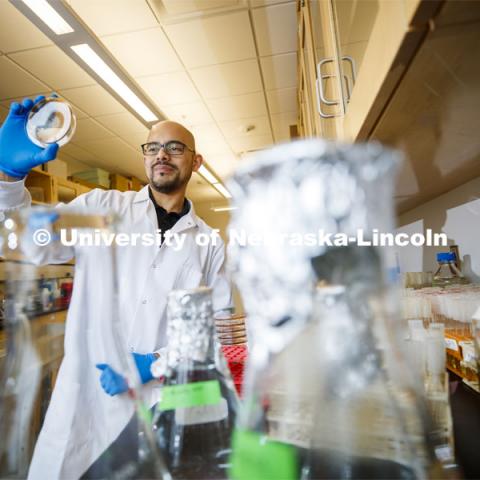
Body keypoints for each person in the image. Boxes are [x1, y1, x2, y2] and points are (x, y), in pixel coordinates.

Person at [0, 96, 233, 479]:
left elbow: (216, 331)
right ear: (144, 158)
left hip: (160, 399)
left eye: (175, 148)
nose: (162, 155)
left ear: (196, 161)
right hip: (85, 400)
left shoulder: (208, 242)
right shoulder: (101, 206)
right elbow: (21, 240)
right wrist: (7, 177)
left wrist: (157, 363)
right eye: (153, 147)